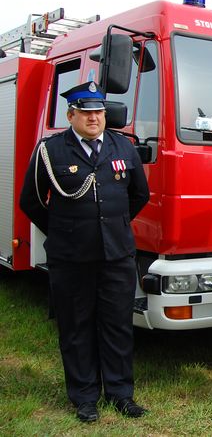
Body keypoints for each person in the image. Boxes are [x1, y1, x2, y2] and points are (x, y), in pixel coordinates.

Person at [19, 81, 150, 423]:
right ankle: (84, 397)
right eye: (86, 112)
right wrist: (65, 231)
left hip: (116, 256)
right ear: (71, 115)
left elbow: (139, 195)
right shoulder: (51, 151)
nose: (94, 118)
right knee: (77, 328)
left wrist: (112, 228)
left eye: (99, 112)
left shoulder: (123, 146)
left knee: (118, 326)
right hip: (71, 258)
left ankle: (121, 394)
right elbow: (31, 201)